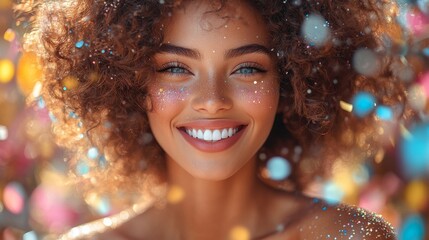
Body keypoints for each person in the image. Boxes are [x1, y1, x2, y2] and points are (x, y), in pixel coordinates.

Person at [18, 0, 407, 239]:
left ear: (290, 80)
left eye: (247, 69)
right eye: (175, 68)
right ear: (129, 83)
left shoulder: (346, 238)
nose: (212, 101)